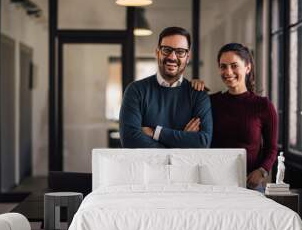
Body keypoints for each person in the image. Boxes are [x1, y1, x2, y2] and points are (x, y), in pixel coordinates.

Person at [191, 43, 278, 191]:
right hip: (213, 184)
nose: (228, 72)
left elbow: (272, 148)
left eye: (234, 65)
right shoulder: (211, 102)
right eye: (223, 66)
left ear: (247, 68)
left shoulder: (263, 105)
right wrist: (191, 88)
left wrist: (262, 171)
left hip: (249, 184)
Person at [119, 27, 212, 148]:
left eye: (180, 51)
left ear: (188, 57)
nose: (172, 57)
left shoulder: (198, 94)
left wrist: (155, 132)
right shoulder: (136, 91)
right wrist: (182, 142)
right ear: (157, 53)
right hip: (145, 167)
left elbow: (202, 142)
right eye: (167, 50)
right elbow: (129, 140)